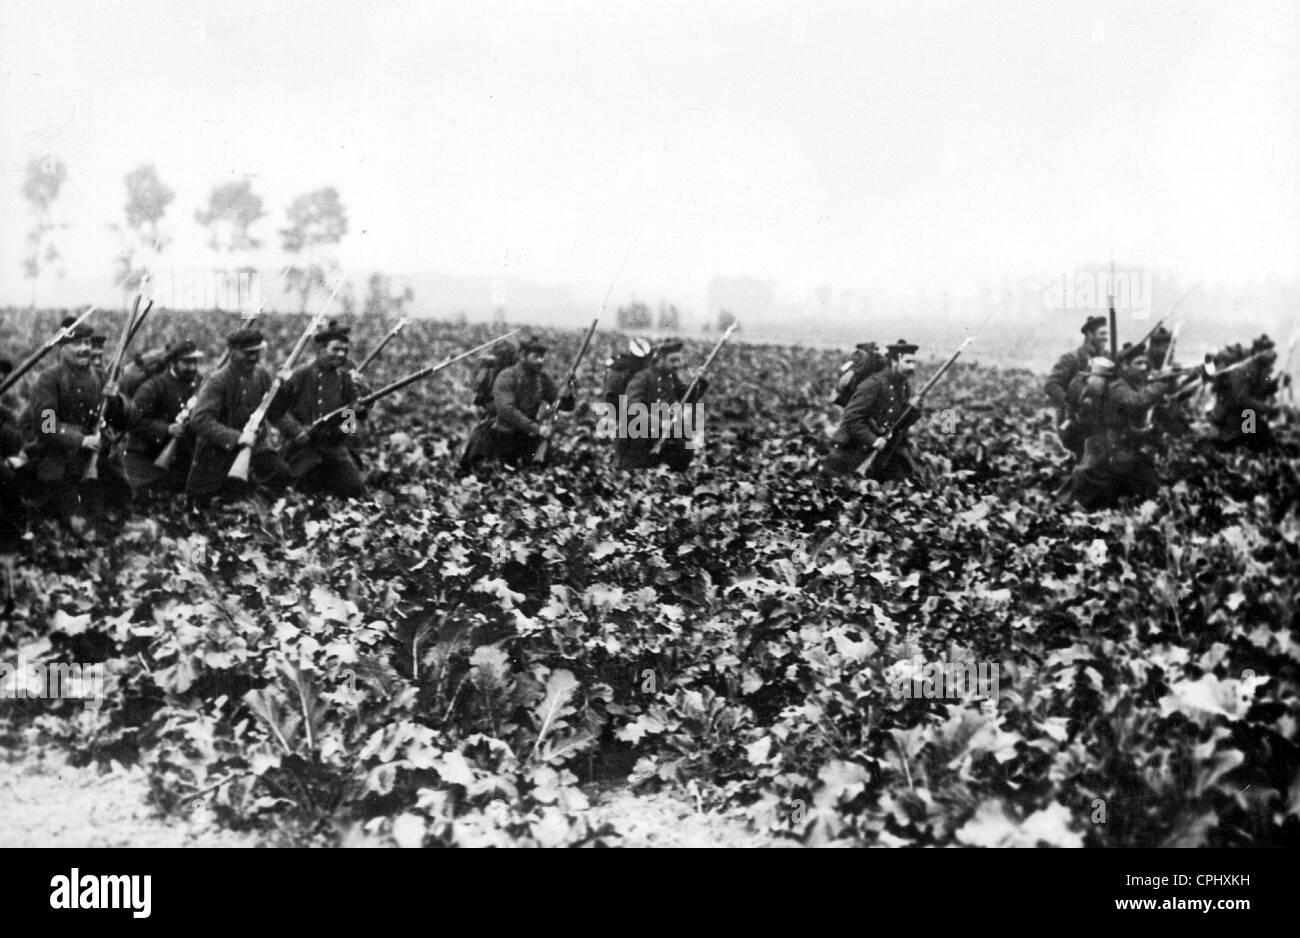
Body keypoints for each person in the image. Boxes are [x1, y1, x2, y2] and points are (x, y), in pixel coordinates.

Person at [19, 318, 135, 523]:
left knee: (117, 511)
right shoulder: (49, 379)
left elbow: (120, 419)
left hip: (92, 461)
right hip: (59, 460)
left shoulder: (99, 376)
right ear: (62, 347)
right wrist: (81, 440)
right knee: (76, 523)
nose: (84, 349)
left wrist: (115, 400)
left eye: (87, 343)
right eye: (77, 344)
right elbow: (47, 426)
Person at [185, 328, 291, 505]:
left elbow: (275, 413)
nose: (253, 358)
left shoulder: (262, 375)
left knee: (282, 474)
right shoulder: (218, 381)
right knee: (214, 502)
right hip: (219, 451)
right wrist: (238, 438)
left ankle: (260, 503)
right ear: (232, 352)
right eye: (247, 353)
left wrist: (283, 388)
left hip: (255, 447)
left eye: (256, 353)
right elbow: (199, 420)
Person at [266, 321, 370, 498]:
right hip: (303, 446)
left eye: (344, 350)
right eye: (335, 349)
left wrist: (346, 424)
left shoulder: (345, 378)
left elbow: (351, 413)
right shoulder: (301, 374)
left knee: (355, 491)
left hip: (334, 448)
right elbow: (275, 411)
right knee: (294, 492)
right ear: (321, 350)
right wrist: (297, 432)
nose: (341, 354)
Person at [1067, 356, 1177, 510]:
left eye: (1145, 362)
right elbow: (1137, 401)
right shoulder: (1116, 386)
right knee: (1097, 480)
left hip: (1116, 442)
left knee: (1133, 478)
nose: (1144, 367)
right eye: (1138, 362)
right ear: (1125, 365)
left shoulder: (1128, 384)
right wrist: (1162, 382)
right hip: (1109, 443)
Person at [460, 337, 575, 469]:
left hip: (525, 436)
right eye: (536, 357)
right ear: (523, 356)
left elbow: (565, 405)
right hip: (499, 436)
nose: (540, 361)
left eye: (542, 357)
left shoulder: (542, 379)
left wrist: (569, 389)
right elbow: (506, 410)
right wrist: (537, 429)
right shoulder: (507, 376)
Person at [823, 339, 921, 481]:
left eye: (914, 362)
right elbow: (851, 418)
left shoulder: (904, 387)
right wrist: (873, 440)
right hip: (850, 454)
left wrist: (914, 410)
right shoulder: (873, 384)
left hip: (880, 454)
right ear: (894, 361)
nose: (912, 367)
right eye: (908, 362)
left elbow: (899, 423)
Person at [612, 339, 708, 473]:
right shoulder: (642, 378)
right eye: (673, 360)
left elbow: (687, 397)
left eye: (679, 360)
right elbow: (632, 408)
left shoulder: (670, 377)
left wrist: (698, 381)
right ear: (661, 359)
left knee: (686, 447)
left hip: (662, 433)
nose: (678, 365)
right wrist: (659, 423)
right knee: (639, 470)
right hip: (638, 435)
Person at [125, 340, 204, 493]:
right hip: (147, 458)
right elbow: (132, 420)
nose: (193, 367)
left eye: (195, 362)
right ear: (173, 362)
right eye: (187, 362)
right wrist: (167, 429)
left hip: (181, 458)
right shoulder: (154, 387)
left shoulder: (199, 385)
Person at [1045, 315, 1109, 458]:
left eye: (1107, 334)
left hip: (1097, 423)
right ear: (1089, 334)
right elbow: (1051, 385)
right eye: (1102, 334)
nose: (1106, 338)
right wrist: (1070, 405)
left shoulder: (1107, 359)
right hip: (1074, 425)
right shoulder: (1071, 359)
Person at [1208, 334, 1287, 451]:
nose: (1271, 353)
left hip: (1247, 414)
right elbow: (1242, 399)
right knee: (1246, 441)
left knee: (1266, 442)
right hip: (1232, 415)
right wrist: (1267, 408)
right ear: (1257, 352)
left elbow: (1262, 391)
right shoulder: (1242, 370)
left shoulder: (1262, 371)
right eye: (1267, 350)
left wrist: (1277, 383)